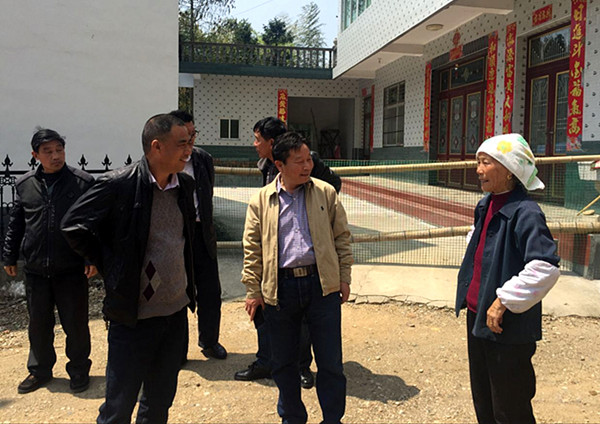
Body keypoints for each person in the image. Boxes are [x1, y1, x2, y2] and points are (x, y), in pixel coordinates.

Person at [61, 114, 196, 424]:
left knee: (159, 401)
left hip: (175, 313)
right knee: (119, 406)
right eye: (181, 144)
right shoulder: (119, 184)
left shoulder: (184, 185)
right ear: (157, 146)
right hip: (134, 317)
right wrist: (111, 263)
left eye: (189, 142)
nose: (188, 150)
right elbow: (73, 226)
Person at [241, 132, 353, 424]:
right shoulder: (261, 201)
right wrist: (253, 290)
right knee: (283, 362)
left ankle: (333, 419)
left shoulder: (325, 193)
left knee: (330, 362)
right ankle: (292, 418)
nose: (307, 166)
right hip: (280, 288)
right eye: (299, 161)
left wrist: (343, 277)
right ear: (279, 165)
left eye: (308, 160)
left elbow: (342, 237)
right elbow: (252, 248)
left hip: (321, 285)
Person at [455, 133, 561, 423]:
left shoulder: (526, 213)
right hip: (478, 316)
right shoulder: (486, 205)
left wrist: (502, 300)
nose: (478, 170)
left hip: (506, 324)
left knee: (510, 406)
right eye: (478, 162)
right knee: (484, 398)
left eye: (485, 163)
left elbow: (545, 266)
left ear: (509, 170)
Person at [2, 129, 96, 395]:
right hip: (36, 269)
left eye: (59, 150)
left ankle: (79, 370)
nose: (55, 156)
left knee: (75, 324)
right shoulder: (25, 184)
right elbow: (17, 223)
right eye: (48, 151)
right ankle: (39, 371)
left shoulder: (82, 182)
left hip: (71, 269)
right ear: (35, 155)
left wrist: (90, 256)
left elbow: (91, 223)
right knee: (38, 325)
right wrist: (9, 255)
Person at [169, 110, 227, 361]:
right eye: (186, 135)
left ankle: (210, 341)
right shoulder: (164, 161)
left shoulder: (203, 159)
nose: (191, 140)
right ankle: (177, 349)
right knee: (177, 294)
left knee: (210, 292)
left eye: (194, 134)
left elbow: (206, 195)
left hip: (202, 234)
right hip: (174, 237)